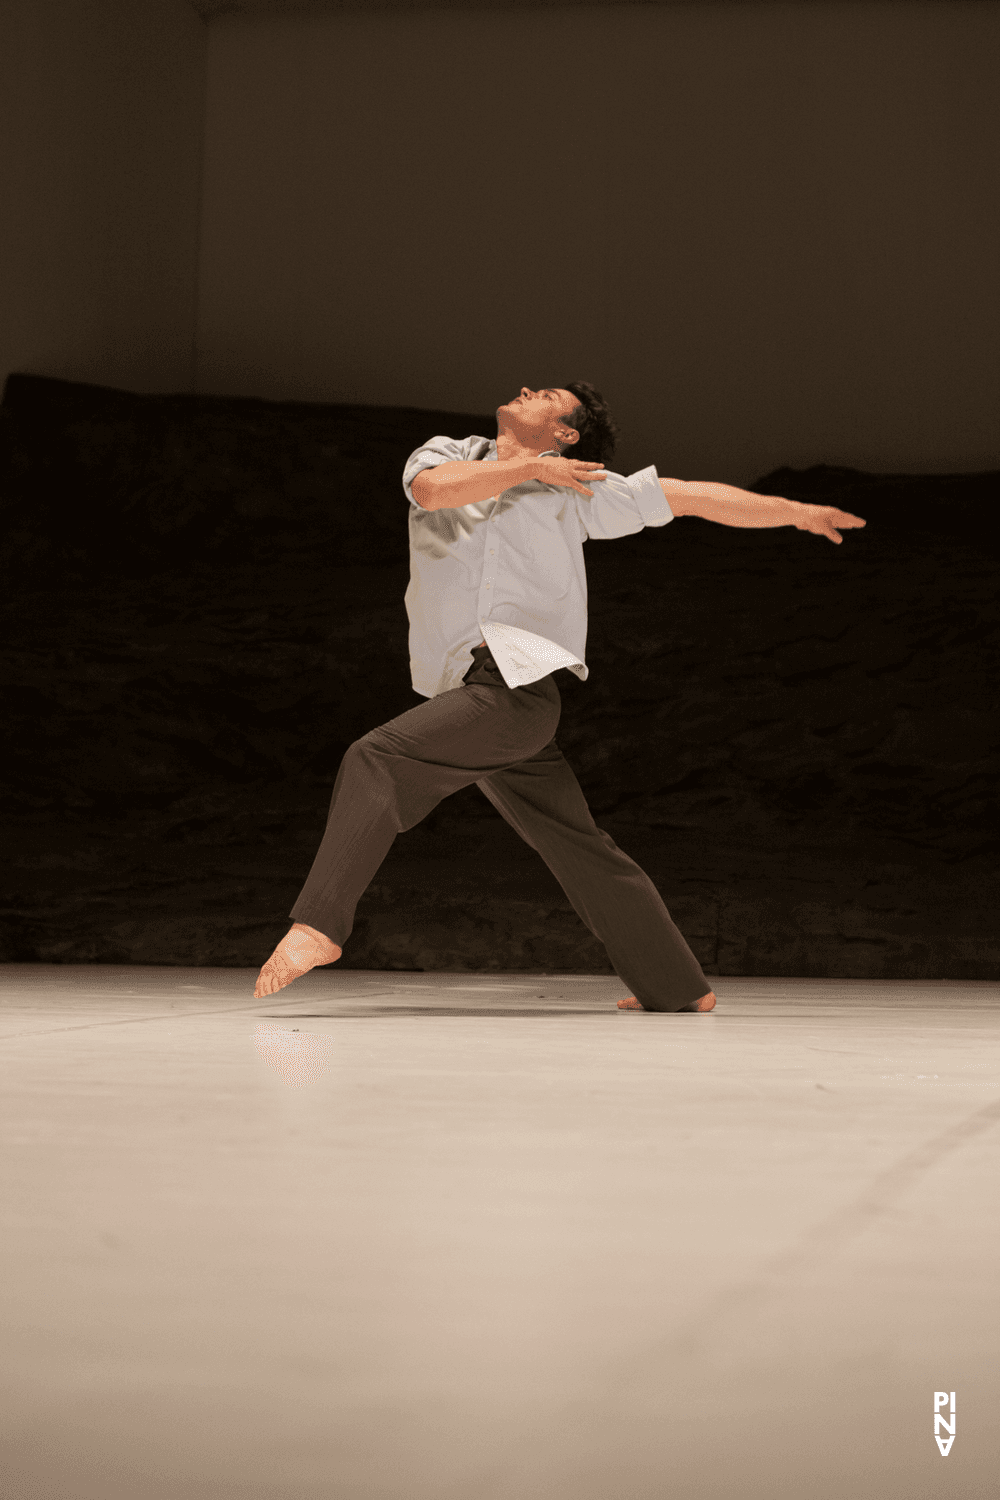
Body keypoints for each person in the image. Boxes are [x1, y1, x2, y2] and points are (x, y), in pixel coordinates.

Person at [254, 382, 864, 1010]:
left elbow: (688, 499)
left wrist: (794, 510)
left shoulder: (574, 488)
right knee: (576, 843)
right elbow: (433, 493)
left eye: (545, 394)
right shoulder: (445, 452)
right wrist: (527, 468)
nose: (524, 389)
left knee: (375, 758)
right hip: (476, 690)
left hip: (515, 689)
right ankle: (678, 988)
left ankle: (320, 925)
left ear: (567, 432)